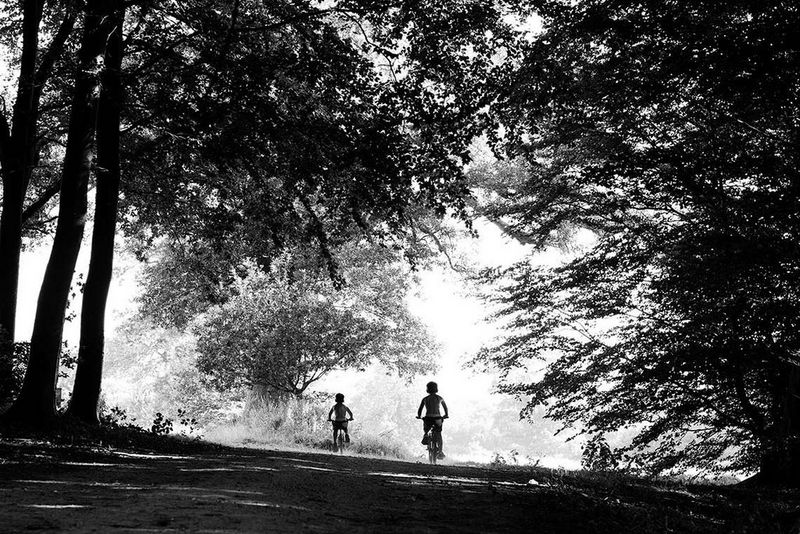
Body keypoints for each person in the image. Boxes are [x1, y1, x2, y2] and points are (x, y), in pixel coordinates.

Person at [416, 381, 449, 459]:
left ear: (427, 389)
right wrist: (446, 415)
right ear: (436, 389)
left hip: (428, 418)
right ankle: (440, 451)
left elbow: (420, 409)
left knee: (426, 427)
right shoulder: (440, 398)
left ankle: (426, 435)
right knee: (439, 434)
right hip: (438, 418)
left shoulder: (425, 399)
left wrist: (419, 416)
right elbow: (445, 408)